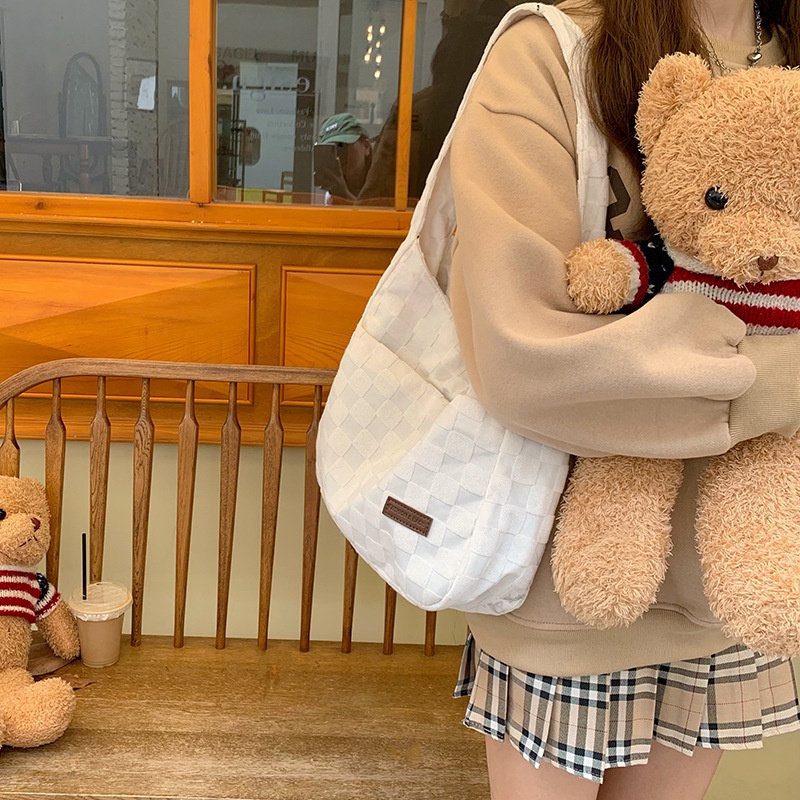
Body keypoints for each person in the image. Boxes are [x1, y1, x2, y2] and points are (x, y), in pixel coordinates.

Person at [447, 1, 800, 798]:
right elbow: (525, 362)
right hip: (569, 598)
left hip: (737, 582)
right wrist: (779, 382)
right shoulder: (553, 52)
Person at [313, 113, 373, 204]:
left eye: (342, 146)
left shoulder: (386, 182)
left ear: (366, 146)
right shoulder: (334, 188)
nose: (338, 155)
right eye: (332, 149)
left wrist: (343, 196)